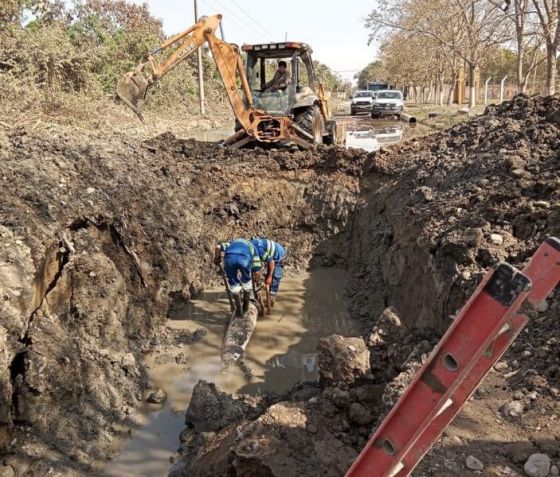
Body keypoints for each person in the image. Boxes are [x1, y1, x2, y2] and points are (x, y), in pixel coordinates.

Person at [214, 239, 262, 317]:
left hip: (229, 259)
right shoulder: (253, 247)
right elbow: (257, 272)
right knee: (246, 281)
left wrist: (216, 258)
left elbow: (218, 247)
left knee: (233, 282)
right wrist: (258, 282)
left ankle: (239, 310)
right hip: (244, 259)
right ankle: (245, 307)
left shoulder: (232, 243)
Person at [250, 237, 286, 305]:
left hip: (278, 254)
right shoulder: (250, 247)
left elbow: (271, 262)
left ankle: (272, 296)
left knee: (275, 276)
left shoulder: (259, 251)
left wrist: (269, 276)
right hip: (269, 253)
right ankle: (258, 294)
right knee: (266, 276)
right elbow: (256, 266)